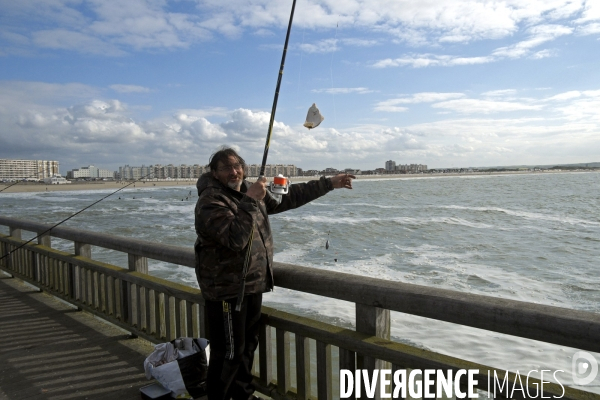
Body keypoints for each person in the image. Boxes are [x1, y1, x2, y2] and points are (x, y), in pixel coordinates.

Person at [194, 147, 354, 400]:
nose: (234, 171)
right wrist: (251, 200)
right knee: (228, 352)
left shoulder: (247, 191)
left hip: (252, 284)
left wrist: (328, 184)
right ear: (214, 173)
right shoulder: (211, 200)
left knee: (246, 348)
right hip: (226, 291)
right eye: (225, 168)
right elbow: (235, 239)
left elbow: (287, 198)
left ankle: (242, 395)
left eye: (237, 166)